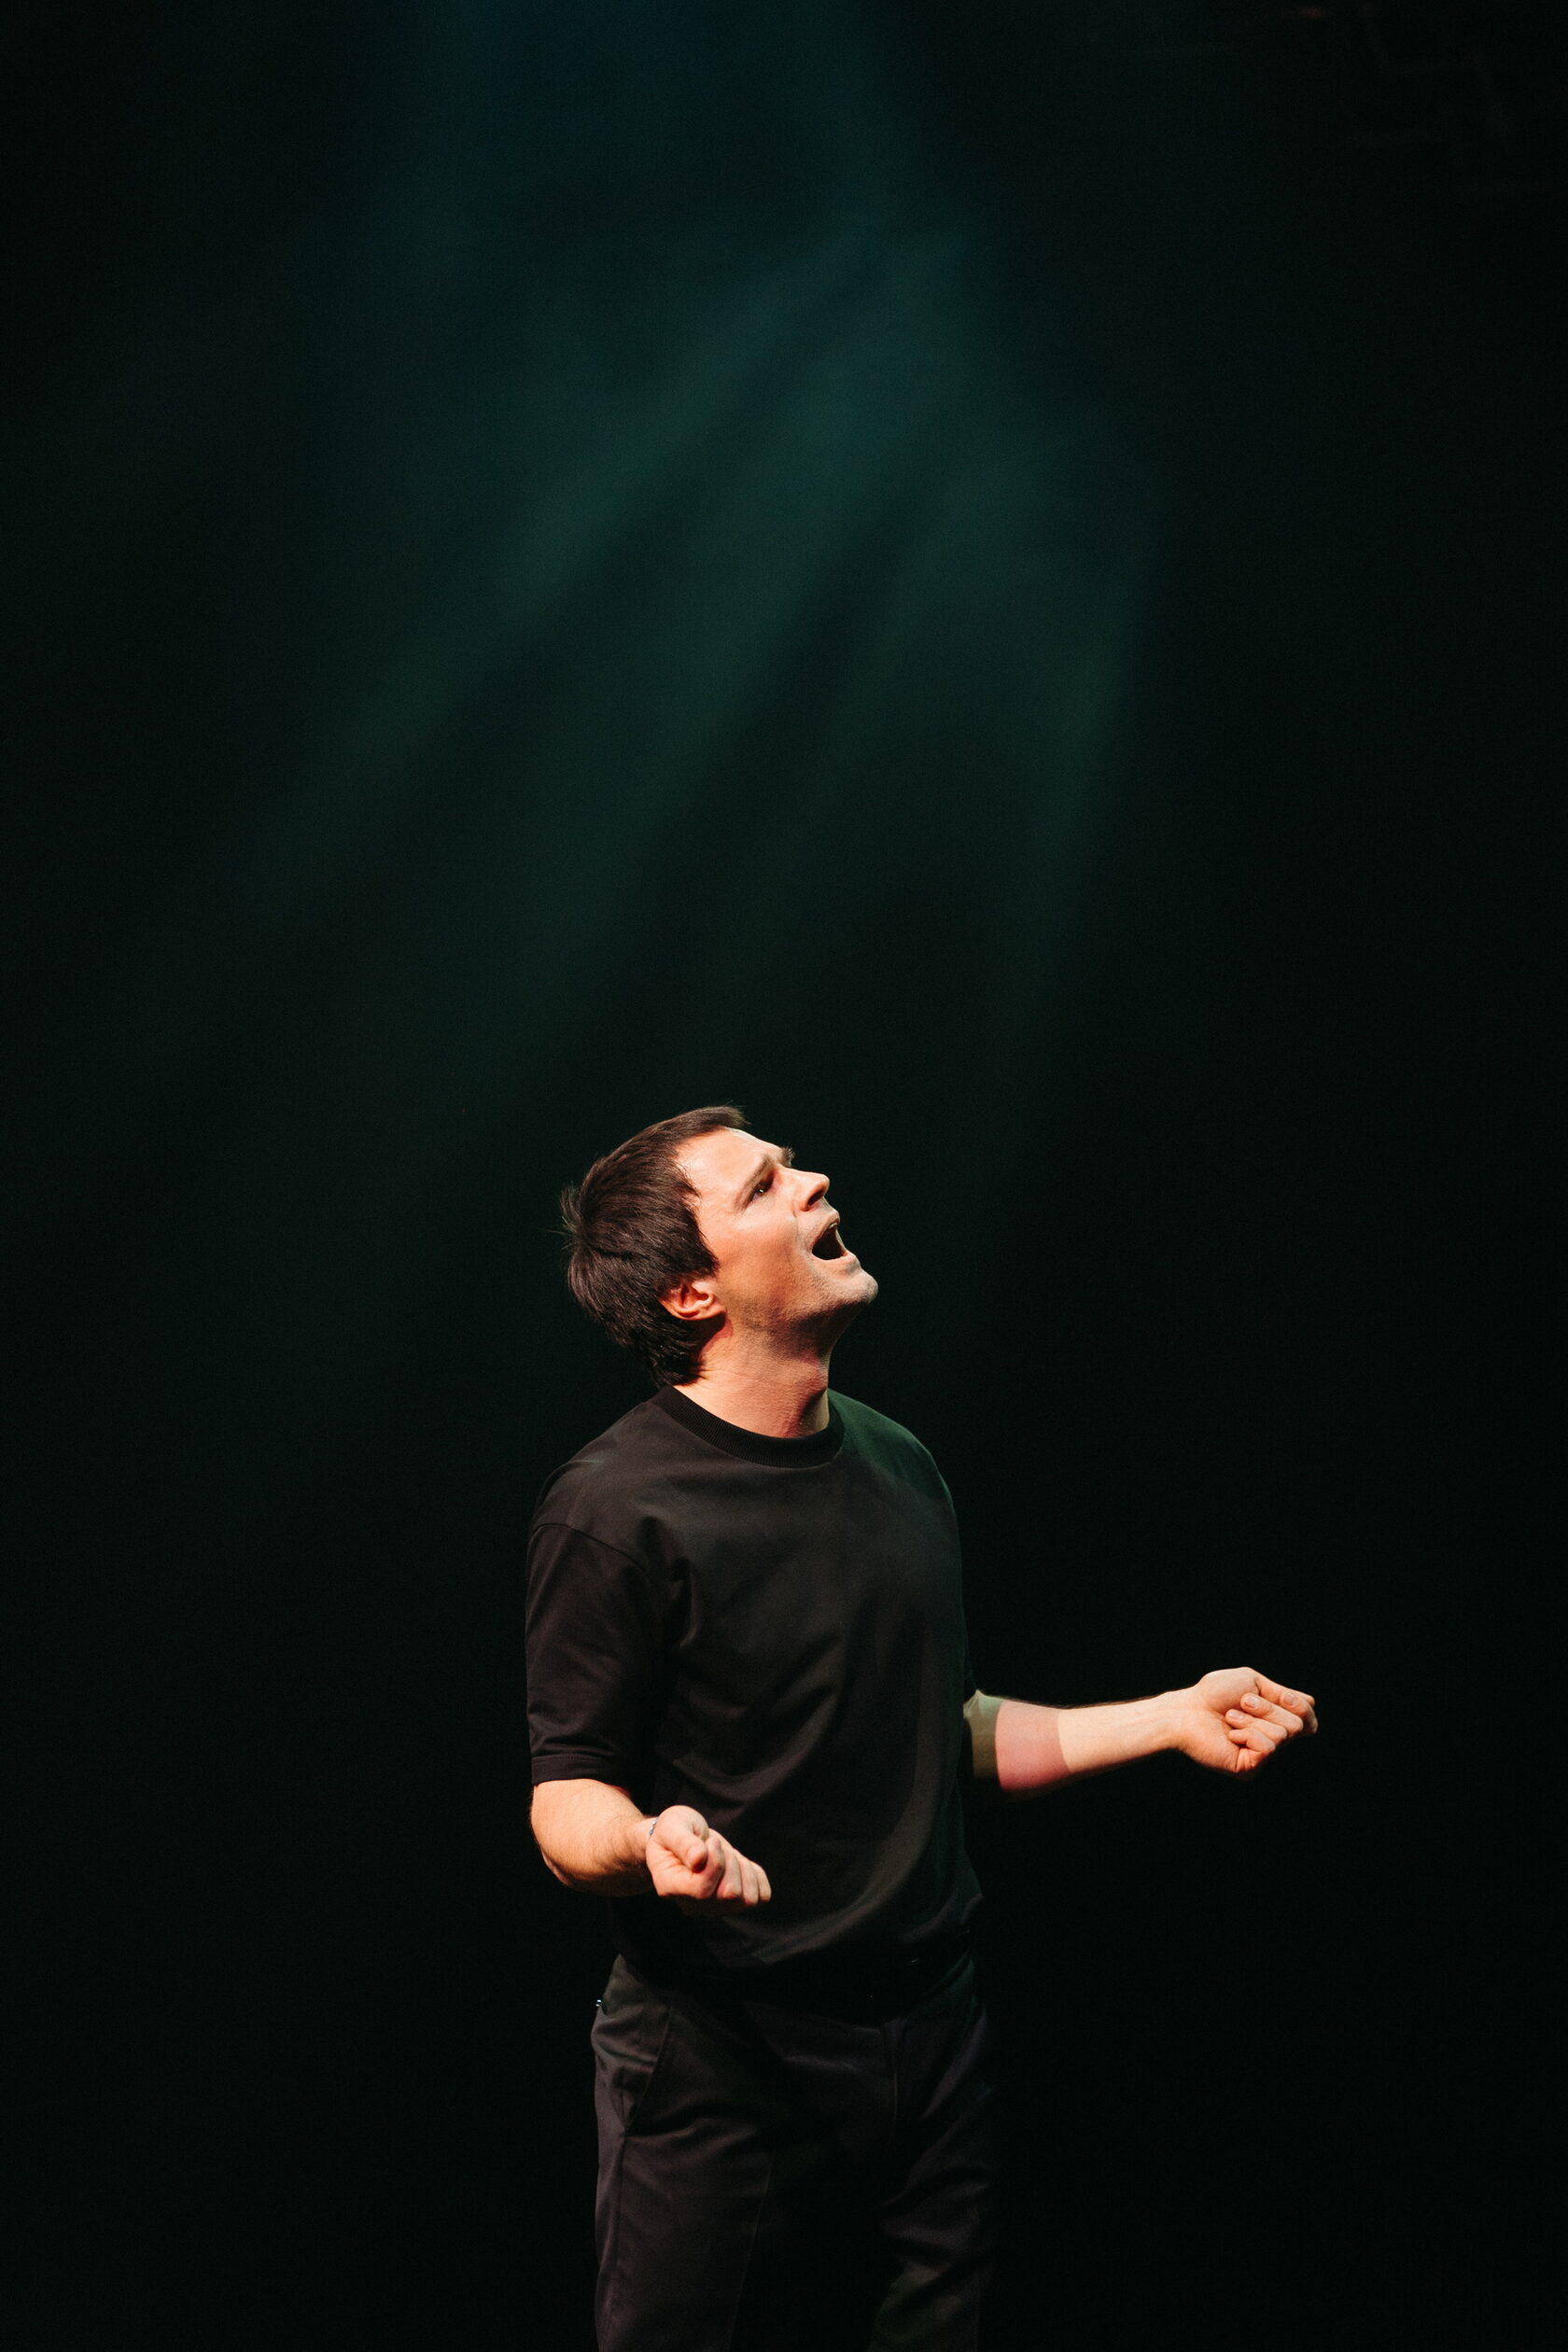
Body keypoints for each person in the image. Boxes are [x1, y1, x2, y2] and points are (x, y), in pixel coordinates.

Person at [526, 1106, 1317, 2351]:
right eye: (764, 1186)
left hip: (930, 2043)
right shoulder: (617, 1509)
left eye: (791, 1164)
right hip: (731, 2065)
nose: (812, 1180)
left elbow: (933, 1731)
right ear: (690, 1293)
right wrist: (646, 1842)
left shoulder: (898, 1465)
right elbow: (565, 1798)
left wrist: (1165, 1718)